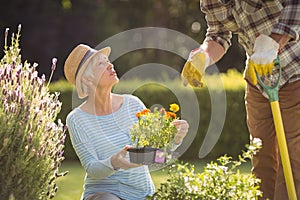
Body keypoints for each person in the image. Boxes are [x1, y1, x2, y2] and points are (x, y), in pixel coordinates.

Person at [181, 1, 300, 199]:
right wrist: (204, 56)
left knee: (295, 157)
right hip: (258, 80)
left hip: (294, 72)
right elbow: (218, 34)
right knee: (262, 156)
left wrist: (274, 41)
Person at [63, 44, 189, 200]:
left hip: (143, 194)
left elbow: (156, 157)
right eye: (101, 63)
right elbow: (92, 168)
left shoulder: (132, 104)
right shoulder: (77, 119)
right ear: (87, 79)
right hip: (103, 194)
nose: (110, 65)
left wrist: (174, 139)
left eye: (108, 61)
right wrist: (114, 162)